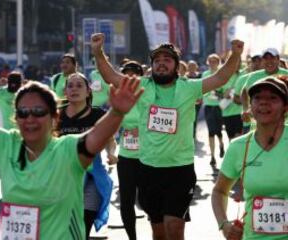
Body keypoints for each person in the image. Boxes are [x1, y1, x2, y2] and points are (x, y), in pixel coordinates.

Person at [91, 32, 243, 240]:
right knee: (159, 231)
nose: (161, 64)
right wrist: (98, 51)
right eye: (157, 61)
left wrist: (235, 54)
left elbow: (221, 78)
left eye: (167, 60)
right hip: (148, 169)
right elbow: (111, 77)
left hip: (180, 170)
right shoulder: (143, 86)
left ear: (176, 64)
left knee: (175, 227)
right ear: (152, 65)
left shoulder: (189, 88)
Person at [0, 78, 142, 239]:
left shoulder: (67, 149)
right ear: (16, 118)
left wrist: (117, 112)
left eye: (39, 111)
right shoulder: (6, 145)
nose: (30, 118)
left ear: (54, 116)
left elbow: (98, 136)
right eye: (23, 112)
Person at [212, 77, 288, 240]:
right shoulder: (238, 146)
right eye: (257, 98)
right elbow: (219, 191)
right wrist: (224, 224)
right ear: (251, 106)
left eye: (272, 98)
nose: (264, 103)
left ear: (286, 106)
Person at [57, 72, 117, 239]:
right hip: (61, 179)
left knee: (82, 230)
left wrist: (112, 154)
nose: (74, 89)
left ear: (88, 91)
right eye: (70, 86)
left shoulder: (98, 115)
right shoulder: (55, 115)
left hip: (92, 178)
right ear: (65, 91)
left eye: (79, 85)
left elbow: (110, 141)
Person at [116, 60, 144, 240]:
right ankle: (132, 237)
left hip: (148, 156)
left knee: (149, 200)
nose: (131, 76)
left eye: (134, 72)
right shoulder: (120, 96)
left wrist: (140, 129)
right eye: (126, 73)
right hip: (126, 156)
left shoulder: (148, 95)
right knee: (126, 201)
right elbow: (112, 119)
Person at [241, 48, 288, 133]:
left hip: (286, 124)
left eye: (272, 58)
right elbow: (244, 92)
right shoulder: (253, 76)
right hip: (259, 126)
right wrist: (245, 109)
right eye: (266, 58)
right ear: (262, 61)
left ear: (278, 59)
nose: (269, 61)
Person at [202, 54, 226, 165]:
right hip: (208, 106)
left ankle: (221, 145)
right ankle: (212, 156)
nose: (212, 63)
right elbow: (202, 90)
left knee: (218, 130)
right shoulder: (205, 74)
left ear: (218, 62)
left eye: (214, 61)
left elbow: (225, 92)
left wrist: (217, 92)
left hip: (219, 106)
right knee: (211, 131)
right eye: (210, 61)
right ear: (208, 62)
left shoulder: (221, 74)